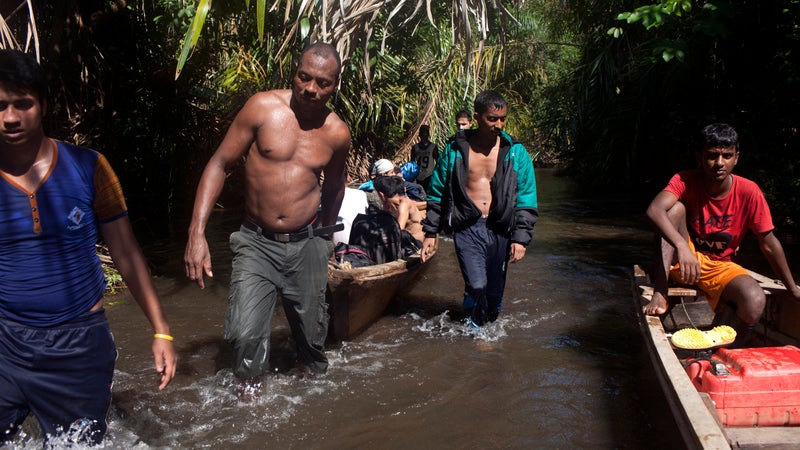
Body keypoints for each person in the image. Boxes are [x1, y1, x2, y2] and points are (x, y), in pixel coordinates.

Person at [0, 49, 176, 445]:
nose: (10, 117)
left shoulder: (89, 167)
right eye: (0, 106)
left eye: (22, 104)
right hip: (6, 342)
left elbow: (127, 253)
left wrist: (161, 331)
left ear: (43, 104)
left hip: (79, 345)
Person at [184, 42, 350, 384]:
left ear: (335, 85)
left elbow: (334, 187)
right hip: (256, 242)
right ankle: (249, 401)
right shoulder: (262, 108)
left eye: (322, 83)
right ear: (294, 71)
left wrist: (326, 241)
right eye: (304, 77)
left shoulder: (336, 133)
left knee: (312, 344)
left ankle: (310, 403)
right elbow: (219, 164)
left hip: (307, 242)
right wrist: (196, 233)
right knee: (245, 337)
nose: (310, 89)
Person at [643, 123, 800, 346]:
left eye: (727, 156)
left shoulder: (749, 191)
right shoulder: (685, 180)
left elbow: (768, 243)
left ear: (736, 158)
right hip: (681, 261)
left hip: (720, 265)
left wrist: (792, 289)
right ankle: (661, 292)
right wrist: (682, 246)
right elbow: (654, 210)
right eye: (712, 156)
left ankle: (729, 352)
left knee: (755, 300)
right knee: (674, 209)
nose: (719, 163)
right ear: (699, 157)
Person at [421, 90, 538, 327]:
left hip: (500, 227)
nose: (499, 124)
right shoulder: (455, 150)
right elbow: (436, 192)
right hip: (468, 226)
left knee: (494, 294)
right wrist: (430, 232)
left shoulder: (516, 152)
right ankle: (477, 335)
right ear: (477, 117)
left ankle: (479, 319)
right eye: (492, 119)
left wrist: (521, 238)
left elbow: (526, 198)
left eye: (503, 119)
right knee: (477, 284)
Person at [373, 175, 425, 244]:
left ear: (381, 195)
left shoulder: (404, 203)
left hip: (415, 245)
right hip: (407, 242)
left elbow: (399, 229)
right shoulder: (389, 205)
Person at [333, 175, 368, 246]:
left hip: (337, 247)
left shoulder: (323, 198)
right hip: (359, 246)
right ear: (348, 178)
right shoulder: (360, 194)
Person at [411, 125, 438, 192]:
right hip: (418, 176)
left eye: (425, 133)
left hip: (429, 176)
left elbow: (438, 162)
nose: (424, 135)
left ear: (428, 134)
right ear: (419, 135)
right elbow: (412, 163)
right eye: (422, 133)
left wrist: (435, 175)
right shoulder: (415, 147)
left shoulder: (433, 147)